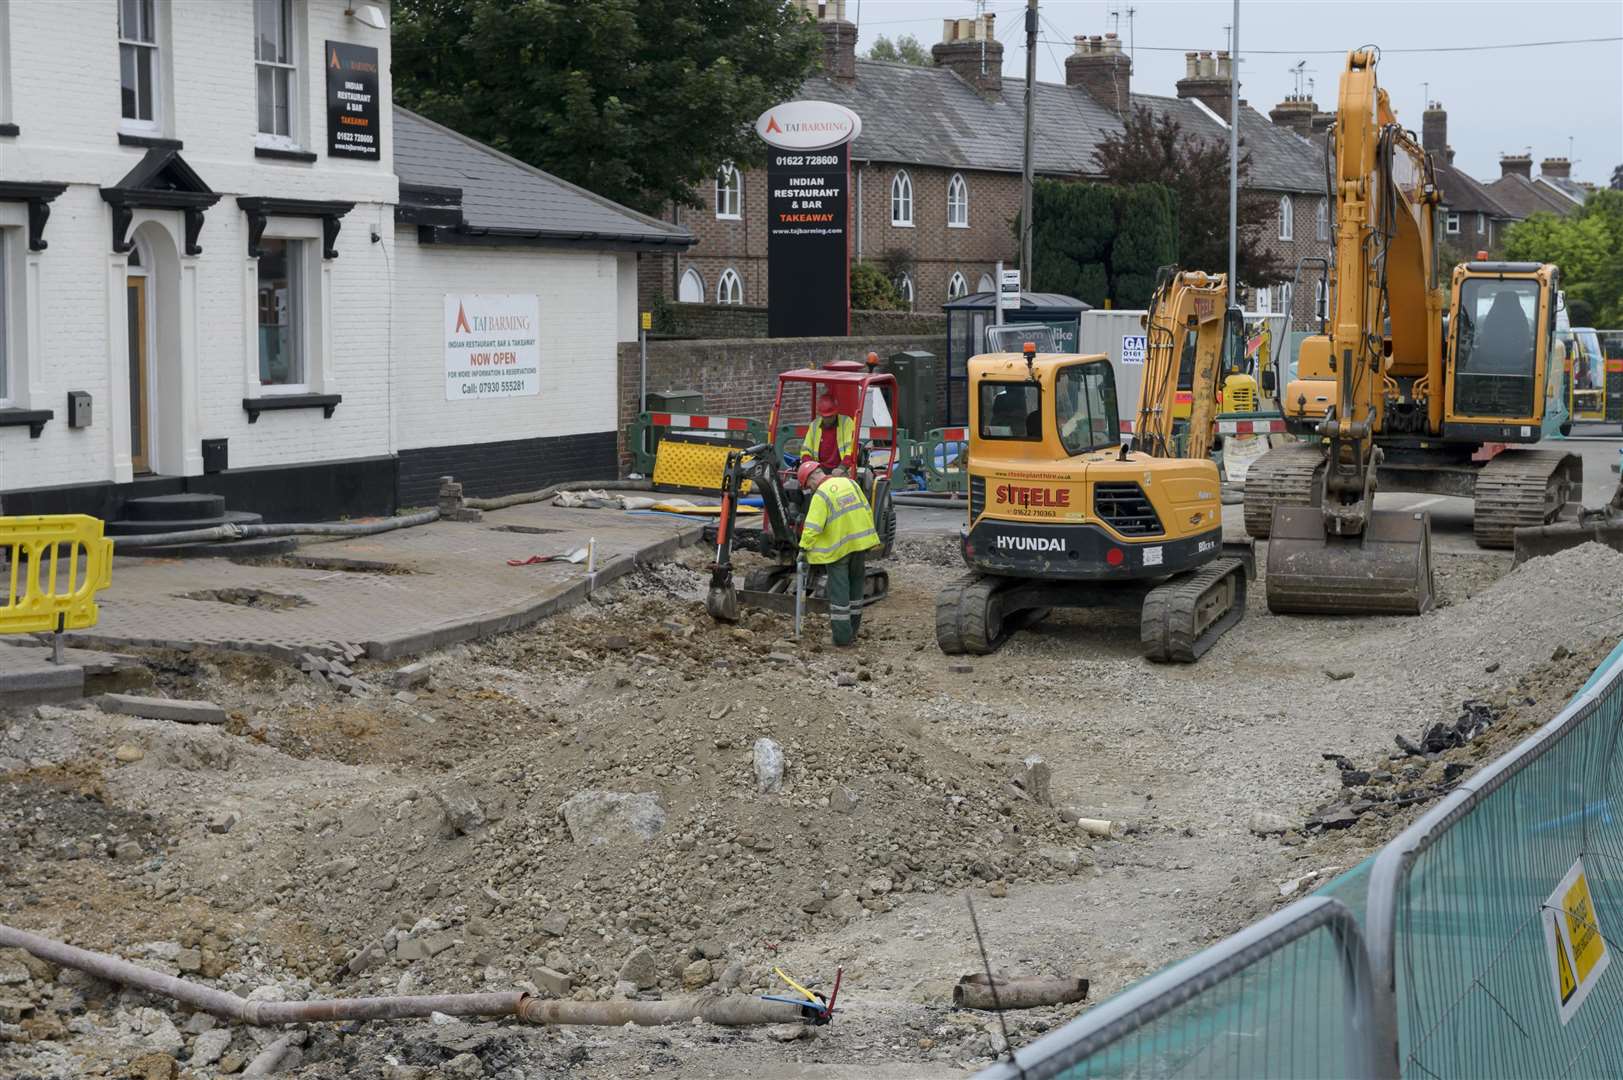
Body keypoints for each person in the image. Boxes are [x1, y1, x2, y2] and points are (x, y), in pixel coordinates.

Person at [796, 460, 880, 646]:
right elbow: (866, 509)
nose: (810, 489)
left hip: (839, 551)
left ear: (811, 479)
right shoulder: (849, 482)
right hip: (859, 545)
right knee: (856, 590)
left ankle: (842, 638)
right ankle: (853, 631)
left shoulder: (821, 495)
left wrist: (803, 549)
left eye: (808, 485)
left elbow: (812, 528)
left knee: (840, 594)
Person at [801, 390, 855, 473]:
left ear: (836, 413)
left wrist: (842, 467)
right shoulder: (814, 425)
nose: (828, 420)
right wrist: (812, 469)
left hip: (842, 468)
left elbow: (851, 449)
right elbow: (805, 451)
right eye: (825, 417)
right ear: (821, 415)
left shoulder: (846, 422)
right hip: (819, 469)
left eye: (830, 416)